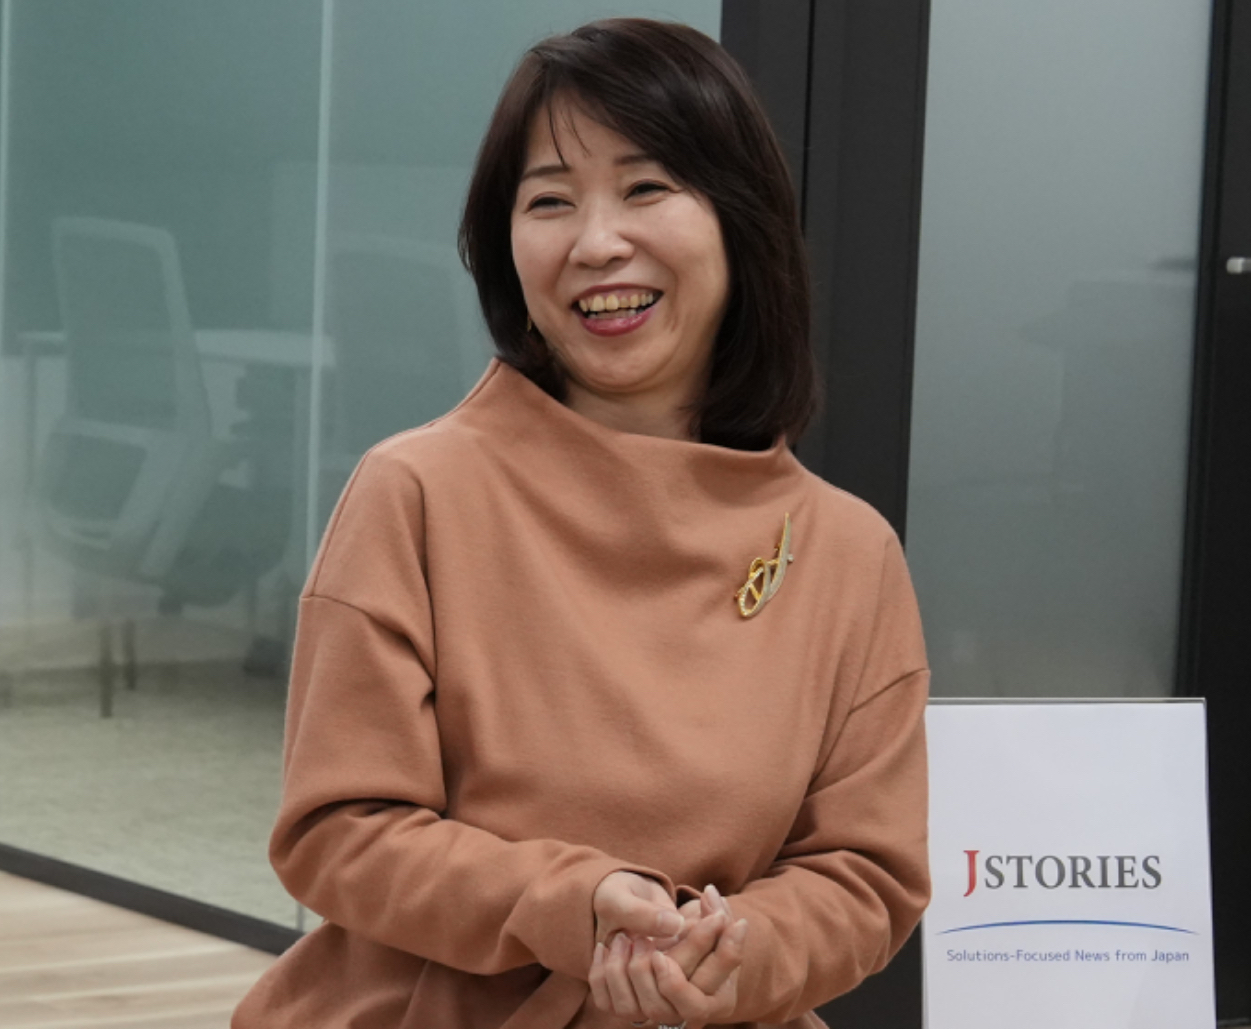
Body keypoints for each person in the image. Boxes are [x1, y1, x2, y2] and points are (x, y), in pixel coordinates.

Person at [232, 17, 929, 1029]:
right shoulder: (416, 492)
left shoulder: (847, 551)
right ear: (507, 247)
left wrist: (726, 957)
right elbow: (338, 830)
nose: (596, 243)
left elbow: (866, 872)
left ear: (739, 223)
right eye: (550, 201)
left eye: (646, 189)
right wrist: (574, 905)